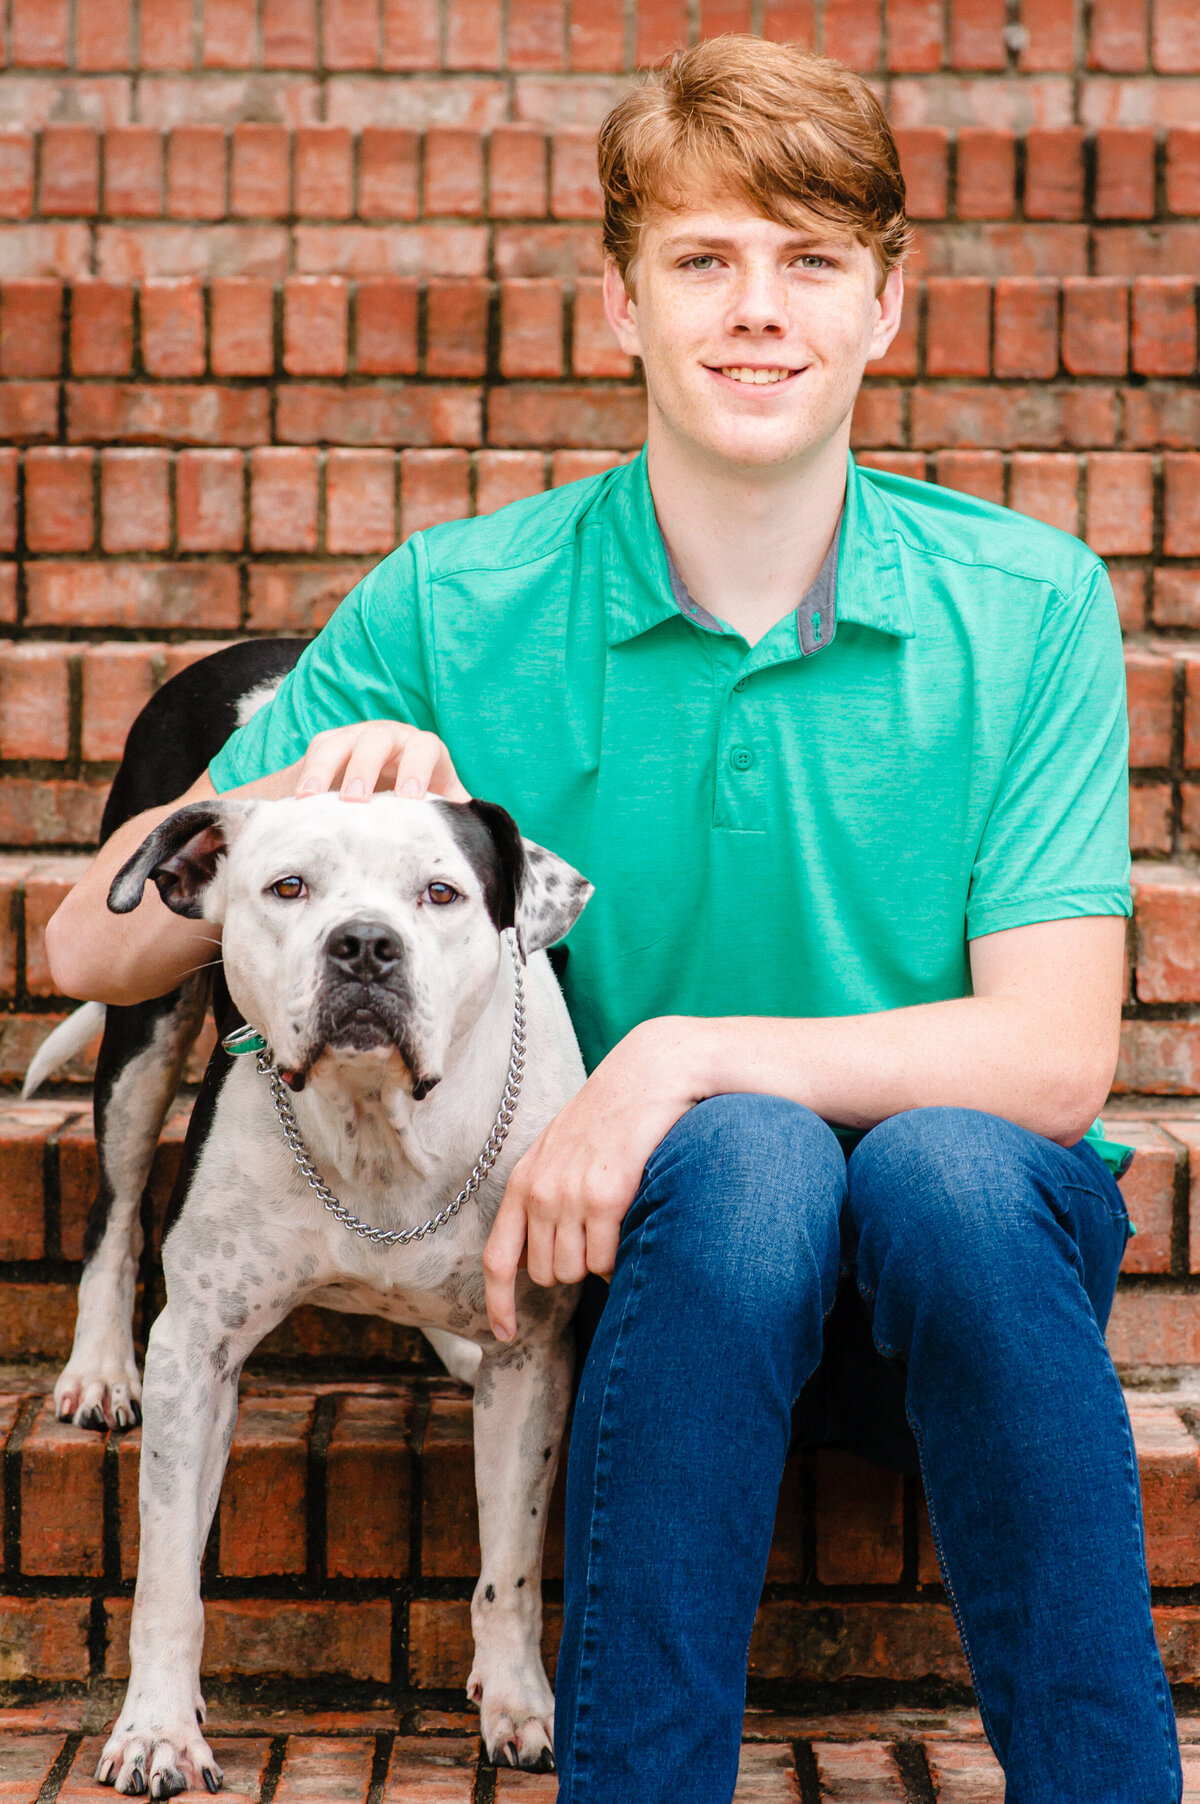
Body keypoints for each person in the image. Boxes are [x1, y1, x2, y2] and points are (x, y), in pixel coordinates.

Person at [47, 35, 1181, 1804]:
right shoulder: (461, 601)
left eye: (811, 262)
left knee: (928, 1168)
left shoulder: (1025, 603)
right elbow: (84, 957)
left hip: (948, 1309)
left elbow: (1048, 1056)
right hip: (647, 1299)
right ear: (617, 303)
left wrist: (669, 1059)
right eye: (703, 260)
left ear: (888, 306)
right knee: (745, 1168)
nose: (758, 311)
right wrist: (291, 818)